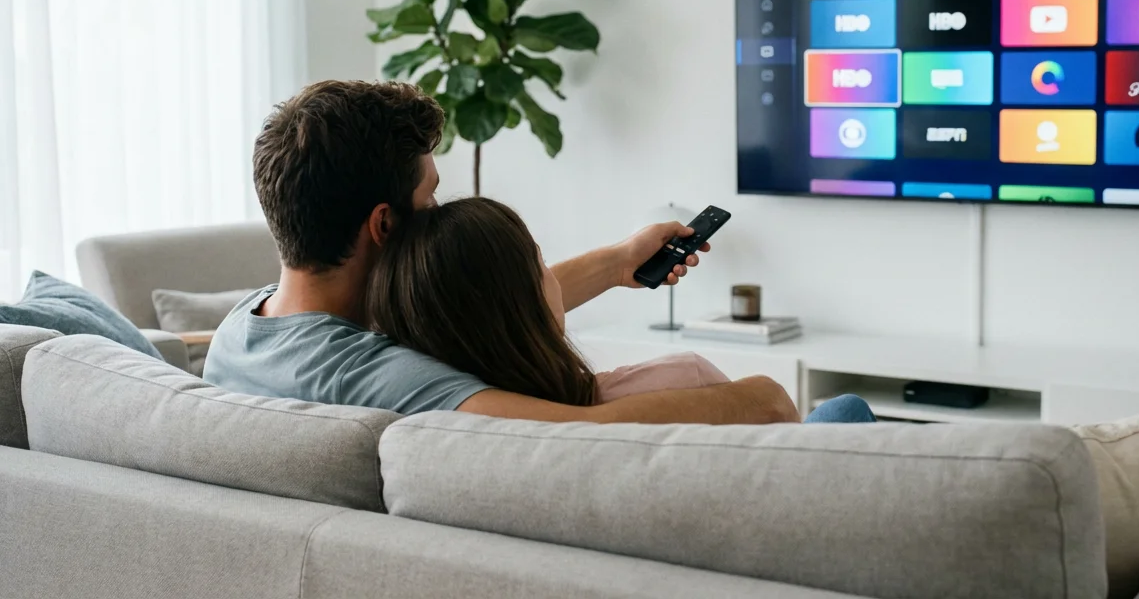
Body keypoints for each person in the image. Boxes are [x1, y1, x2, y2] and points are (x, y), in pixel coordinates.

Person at [204, 80, 800, 424]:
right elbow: (575, 431)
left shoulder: (244, 331)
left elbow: (483, 306)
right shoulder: (374, 375)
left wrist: (620, 262)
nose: (437, 213)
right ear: (384, 224)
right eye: (430, 196)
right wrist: (763, 396)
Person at [364, 195, 875, 423]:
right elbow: (771, 407)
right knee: (844, 410)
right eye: (540, 261)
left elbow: (492, 312)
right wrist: (763, 394)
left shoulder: (410, 399)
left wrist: (615, 263)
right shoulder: (683, 380)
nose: (552, 273)